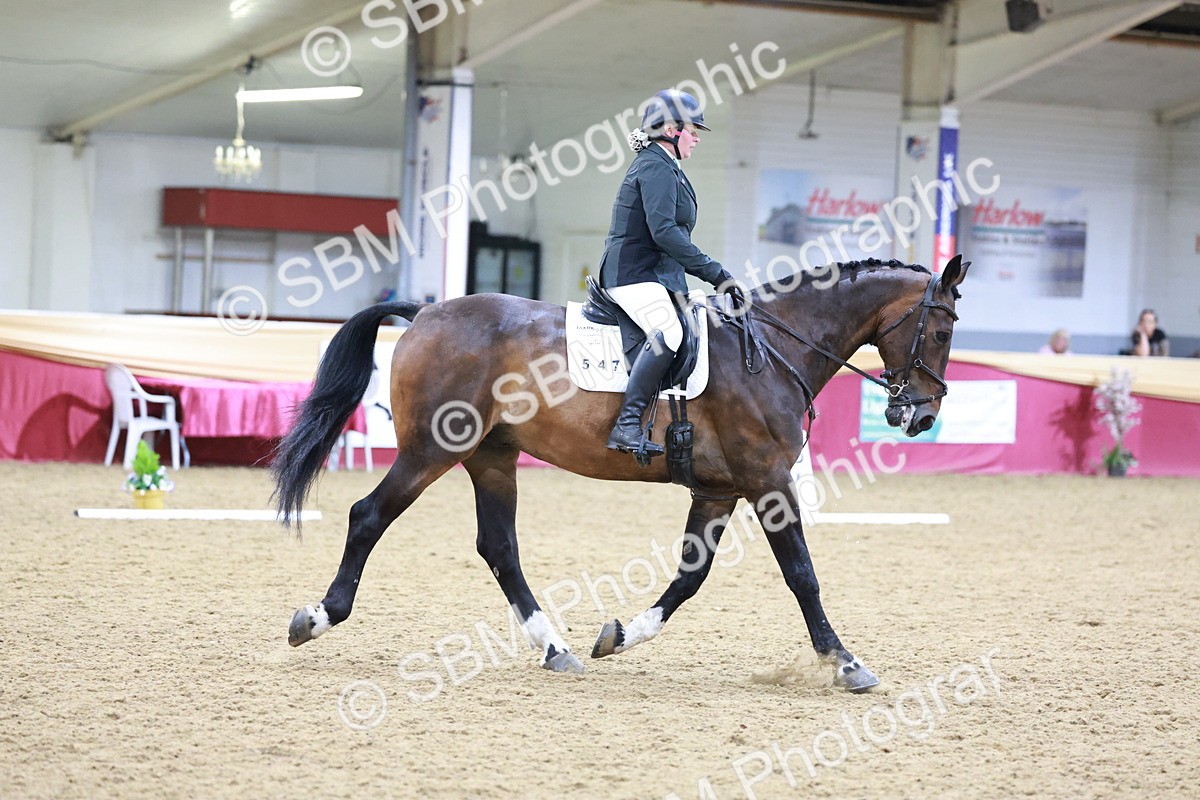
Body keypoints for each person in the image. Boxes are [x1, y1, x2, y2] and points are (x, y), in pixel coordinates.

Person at [598, 89, 742, 461]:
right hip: (632, 274)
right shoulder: (654, 165)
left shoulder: (668, 168)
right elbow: (664, 232)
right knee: (671, 332)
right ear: (671, 129)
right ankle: (627, 424)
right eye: (693, 130)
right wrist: (717, 274)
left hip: (657, 276)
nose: (697, 137)